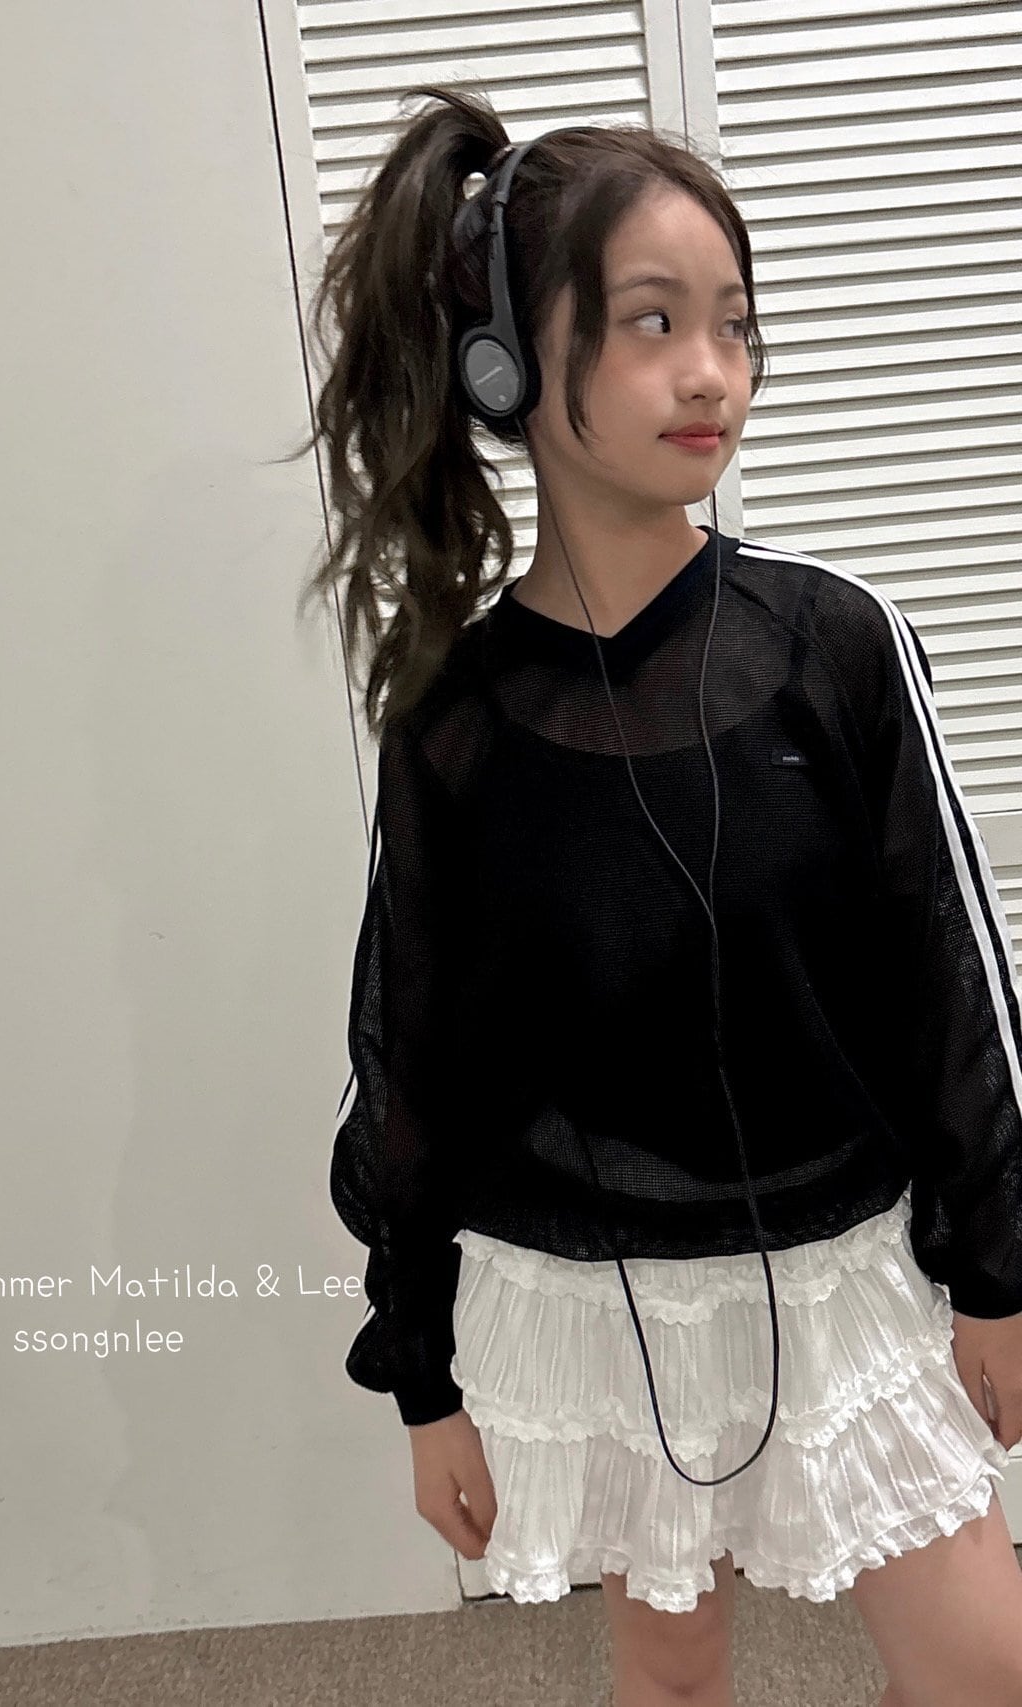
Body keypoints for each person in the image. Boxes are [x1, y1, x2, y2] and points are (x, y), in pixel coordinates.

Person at [287, 84, 1022, 1703]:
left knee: (983, 1668)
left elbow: (950, 986)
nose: (712, 371)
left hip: (841, 1274)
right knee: (672, 1676)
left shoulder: (834, 646)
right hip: (593, 1297)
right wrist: (423, 1381)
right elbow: (415, 1063)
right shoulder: (456, 717)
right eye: (652, 323)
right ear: (507, 367)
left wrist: (1001, 1272)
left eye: (734, 325)